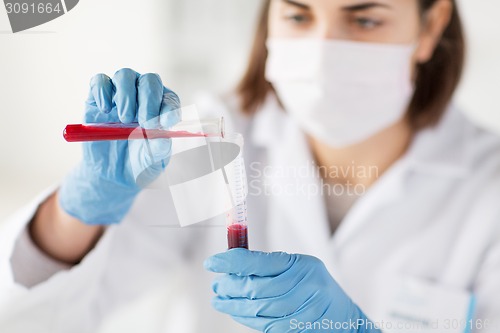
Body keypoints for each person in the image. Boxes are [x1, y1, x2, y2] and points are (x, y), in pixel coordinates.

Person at [1, 0, 500, 332]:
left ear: (431, 26)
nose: (324, 52)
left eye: (365, 20)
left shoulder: (488, 186)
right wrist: (82, 208)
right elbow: (34, 320)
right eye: (299, 17)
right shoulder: (205, 135)